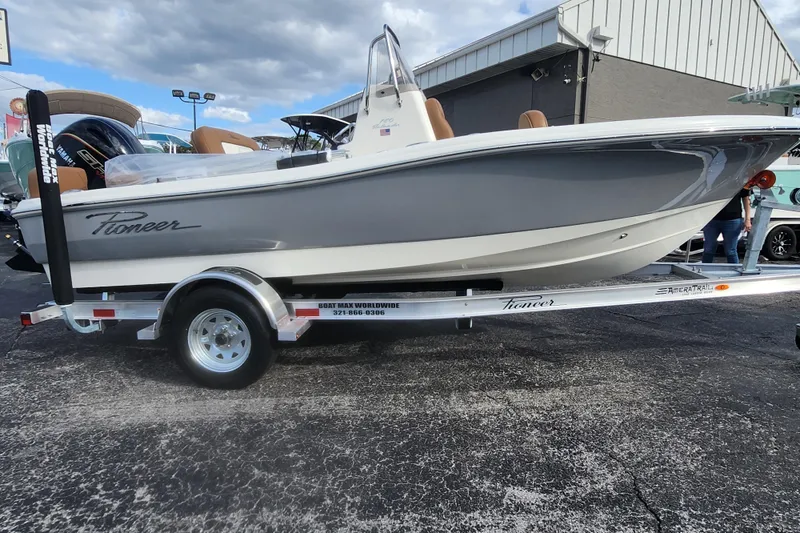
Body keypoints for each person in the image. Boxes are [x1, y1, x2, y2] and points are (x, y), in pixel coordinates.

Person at [701, 187, 752, 264]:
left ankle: (735, 272)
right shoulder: (712, 178)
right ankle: (703, 270)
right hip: (712, 219)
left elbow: (746, 199)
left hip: (732, 219)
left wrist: (747, 219)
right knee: (708, 249)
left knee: (730, 250)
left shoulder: (739, 179)